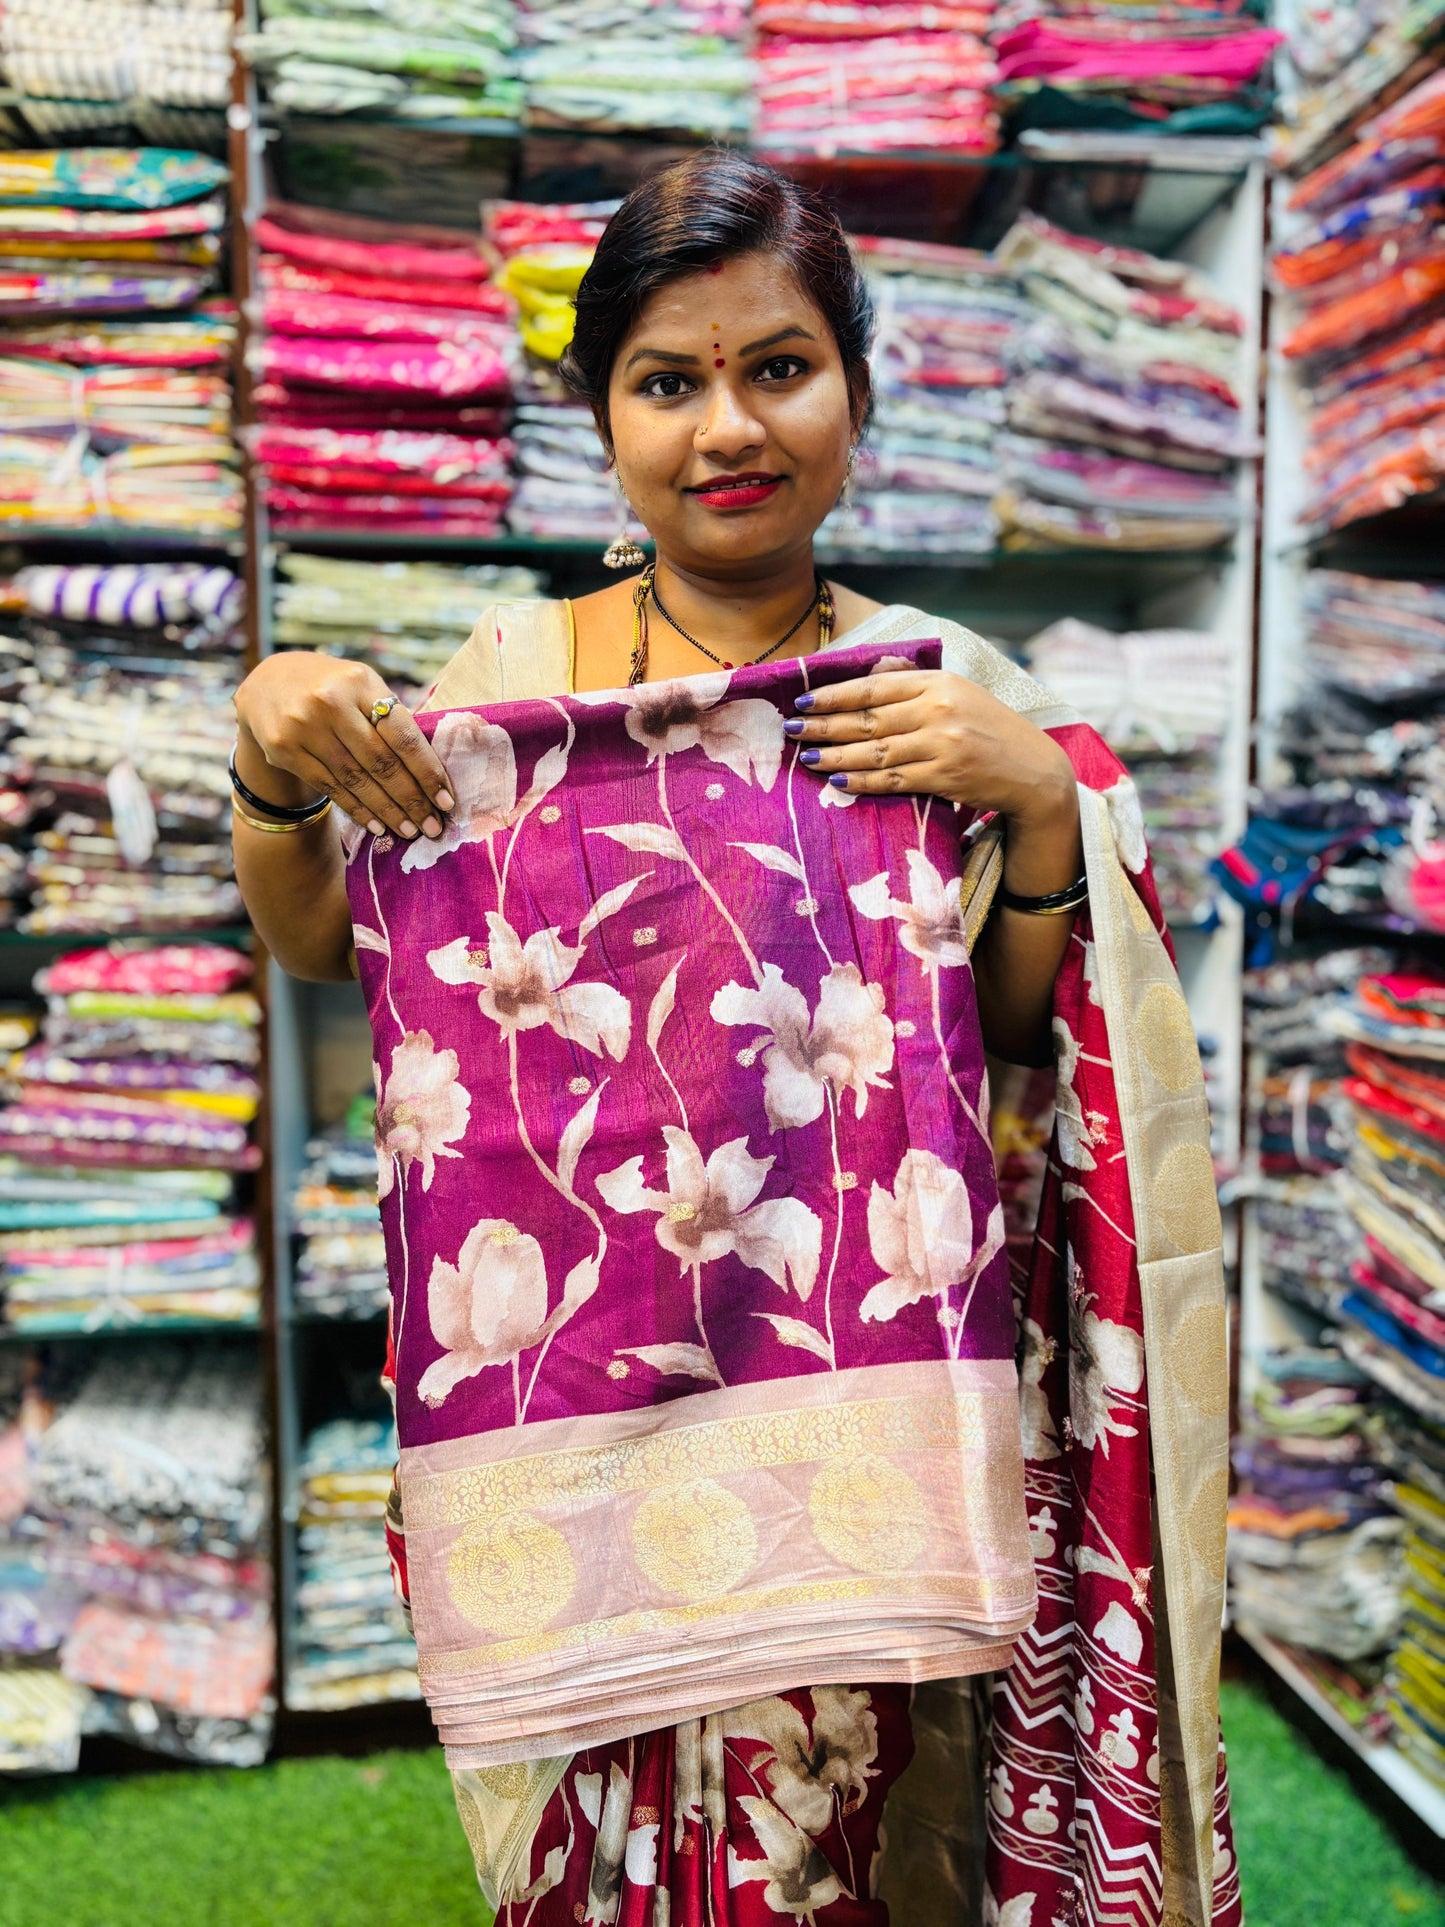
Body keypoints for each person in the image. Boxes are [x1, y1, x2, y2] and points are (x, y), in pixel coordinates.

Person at [233, 152, 1238, 1927]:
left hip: (863, 1382)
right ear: (600, 416)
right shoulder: (514, 682)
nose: (727, 426)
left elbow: (1011, 1036)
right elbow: (336, 939)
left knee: (848, 1825)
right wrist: (269, 758)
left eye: (778, 367)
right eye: (667, 381)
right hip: (587, 1389)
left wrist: (1052, 813)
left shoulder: (933, 688)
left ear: (855, 386)